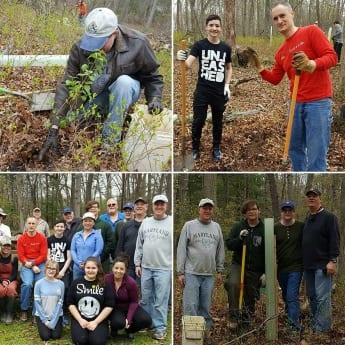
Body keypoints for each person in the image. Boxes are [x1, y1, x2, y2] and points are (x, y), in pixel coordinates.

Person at [39, 7, 164, 159]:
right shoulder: (79, 48)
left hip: (125, 90)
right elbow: (67, 83)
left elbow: (153, 76)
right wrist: (54, 128)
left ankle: (109, 142)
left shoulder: (138, 43)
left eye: (100, 42)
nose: (95, 48)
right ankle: (97, 114)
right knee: (74, 120)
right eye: (92, 41)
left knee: (123, 83)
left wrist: (155, 99)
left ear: (114, 34)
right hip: (98, 95)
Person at [248, 1, 337, 171]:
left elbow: (332, 57)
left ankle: (313, 177)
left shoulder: (311, 32)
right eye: (275, 18)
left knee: (316, 151)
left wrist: (311, 64)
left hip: (318, 102)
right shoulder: (281, 51)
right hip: (295, 103)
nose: (279, 21)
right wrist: (259, 67)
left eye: (282, 16)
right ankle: (299, 173)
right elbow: (275, 78)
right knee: (295, 148)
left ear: (292, 14)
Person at [176, 14, 232, 162]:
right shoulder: (199, 45)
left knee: (218, 122)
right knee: (198, 121)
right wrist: (181, 58)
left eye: (217, 26)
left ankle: (216, 148)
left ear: (220, 28)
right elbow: (188, 65)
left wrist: (227, 85)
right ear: (206, 27)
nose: (214, 28)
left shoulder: (226, 48)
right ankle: (195, 148)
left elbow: (228, 68)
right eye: (211, 25)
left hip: (219, 92)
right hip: (202, 91)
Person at [176, 198, 224, 332]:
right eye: (205, 208)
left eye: (210, 208)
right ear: (199, 209)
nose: (207, 211)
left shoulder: (216, 227)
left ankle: (205, 334)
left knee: (205, 307)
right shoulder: (189, 225)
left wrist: (219, 271)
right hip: (191, 273)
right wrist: (180, 272)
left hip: (209, 274)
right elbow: (181, 249)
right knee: (190, 306)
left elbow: (220, 250)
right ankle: (190, 335)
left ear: (212, 210)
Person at [134, 194, 172, 340]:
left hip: (164, 267)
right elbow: (139, 244)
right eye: (157, 204)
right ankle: (146, 323)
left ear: (166, 206)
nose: (159, 207)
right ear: (153, 206)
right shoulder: (146, 222)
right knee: (145, 298)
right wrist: (137, 263)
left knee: (160, 300)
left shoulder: (170, 222)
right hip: (146, 267)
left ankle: (160, 327)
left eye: (162, 204)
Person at [303, 188, 340, 337]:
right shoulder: (308, 217)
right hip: (309, 265)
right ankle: (315, 324)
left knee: (323, 297)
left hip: (323, 265)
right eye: (309, 196)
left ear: (320, 199)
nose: (311, 198)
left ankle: (322, 330)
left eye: (314, 196)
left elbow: (335, 240)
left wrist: (332, 261)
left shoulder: (329, 217)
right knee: (312, 296)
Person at [224, 200, 265, 329]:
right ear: (245, 213)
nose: (251, 212)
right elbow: (229, 245)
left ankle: (246, 322)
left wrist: (266, 272)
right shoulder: (238, 227)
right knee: (233, 284)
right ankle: (234, 317)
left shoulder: (264, 229)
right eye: (248, 210)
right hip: (238, 264)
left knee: (250, 294)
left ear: (259, 211)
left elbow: (269, 251)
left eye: (254, 209)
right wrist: (240, 239)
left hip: (256, 268)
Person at [67, 256, 114, 345]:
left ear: (98, 269)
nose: (90, 270)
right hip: (80, 318)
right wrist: (80, 320)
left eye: (93, 268)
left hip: (98, 319)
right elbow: (70, 303)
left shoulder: (104, 284)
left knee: (97, 342)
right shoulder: (76, 283)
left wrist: (96, 322)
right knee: (80, 341)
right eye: (88, 268)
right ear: (84, 268)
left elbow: (109, 305)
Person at [105, 253, 152, 340]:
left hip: (129, 306)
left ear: (126, 270)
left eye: (121, 269)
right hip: (114, 308)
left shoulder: (131, 283)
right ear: (112, 268)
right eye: (116, 268)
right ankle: (114, 329)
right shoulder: (106, 279)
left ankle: (129, 330)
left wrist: (129, 318)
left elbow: (134, 302)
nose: (118, 271)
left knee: (146, 320)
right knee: (118, 322)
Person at [274, 201, 304, 332]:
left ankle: (294, 328)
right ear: (281, 212)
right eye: (284, 210)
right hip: (281, 268)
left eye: (290, 210)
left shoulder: (301, 226)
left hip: (296, 267)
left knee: (292, 296)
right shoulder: (275, 227)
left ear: (293, 211)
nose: (287, 213)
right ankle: (290, 316)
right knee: (286, 296)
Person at [17, 217, 48, 322]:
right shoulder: (21, 239)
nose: (31, 225)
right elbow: (21, 256)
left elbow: (43, 255)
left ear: (36, 225)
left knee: (40, 284)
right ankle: (24, 309)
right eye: (29, 223)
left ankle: (36, 312)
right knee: (27, 284)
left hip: (39, 263)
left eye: (33, 223)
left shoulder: (42, 238)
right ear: (26, 225)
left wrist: (34, 264)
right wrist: (29, 264)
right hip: (26, 263)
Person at [115, 197, 148, 280]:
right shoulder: (126, 225)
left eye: (142, 204)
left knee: (144, 292)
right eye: (137, 204)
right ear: (134, 208)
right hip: (128, 266)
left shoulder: (150, 224)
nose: (139, 206)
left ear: (146, 207)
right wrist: (119, 262)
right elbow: (120, 246)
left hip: (146, 266)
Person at [47, 219, 72, 324]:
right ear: (54, 228)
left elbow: (69, 258)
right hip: (51, 268)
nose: (59, 228)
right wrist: (52, 269)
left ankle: (62, 313)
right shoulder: (49, 240)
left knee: (64, 289)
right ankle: (50, 313)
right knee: (51, 291)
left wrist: (62, 272)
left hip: (63, 269)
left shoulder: (67, 240)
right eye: (57, 226)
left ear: (64, 228)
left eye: (62, 226)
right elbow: (47, 255)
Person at [33, 260, 64, 342]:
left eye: (54, 269)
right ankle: (44, 325)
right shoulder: (38, 284)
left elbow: (60, 304)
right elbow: (37, 304)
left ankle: (55, 325)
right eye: (49, 268)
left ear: (57, 271)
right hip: (42, 316)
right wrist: (45, 321)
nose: (51, 270)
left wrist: (53, 321)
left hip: (56, 316)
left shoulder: (61, 284)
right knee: (45, 337)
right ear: (45, 269)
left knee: (56, 336)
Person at [83, 200, 114, 273]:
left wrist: (101, 256)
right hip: (85, 262)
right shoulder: (81, 226)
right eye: (91, 207)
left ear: (99, 209)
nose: (93, 209)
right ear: (87, 210)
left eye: (95, 207)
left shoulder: (105, 225)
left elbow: (111, 242)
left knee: (102, 282)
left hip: (102, 261)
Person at [70, 212, 104, 280]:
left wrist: (87, 262)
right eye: (85, 221)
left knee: (93, 287)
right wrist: (78, 262)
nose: (87, 223)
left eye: (90, 221)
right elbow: (73, 250)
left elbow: (98, 250)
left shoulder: (97, 235)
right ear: (82, 222)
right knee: (78, 287)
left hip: (93, 267)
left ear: (94, 223)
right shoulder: (77, 235)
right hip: (78, 267)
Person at [0, 236, 18, 325]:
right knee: (1, 290)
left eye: (8, 246)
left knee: (10, 290)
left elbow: (14, 274)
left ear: (11, 247)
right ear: (1, 246)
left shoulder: (14, 258)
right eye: (4, 246)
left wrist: (8, 281)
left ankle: (9, 314)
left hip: (11, 280)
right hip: (0, 280)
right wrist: (2, 281)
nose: (6, 248)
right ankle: (3, 312)